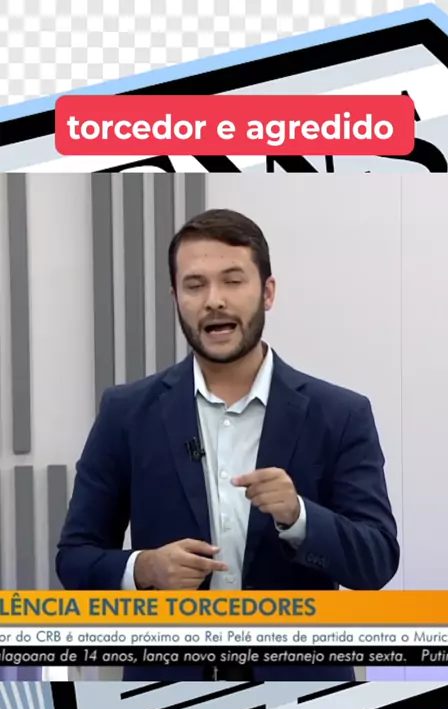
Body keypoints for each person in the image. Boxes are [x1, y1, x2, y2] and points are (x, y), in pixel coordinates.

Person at [57, 208, 400, 682]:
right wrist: (145, 568)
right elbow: (75, 558)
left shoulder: (339, 414)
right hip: (164, 699)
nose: (214, 300)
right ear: (175, 298)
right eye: (195, 285)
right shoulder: (126, 413)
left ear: (268, 292)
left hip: (301, 698)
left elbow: (376, 561)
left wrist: (299, 517)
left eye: (233, 281)